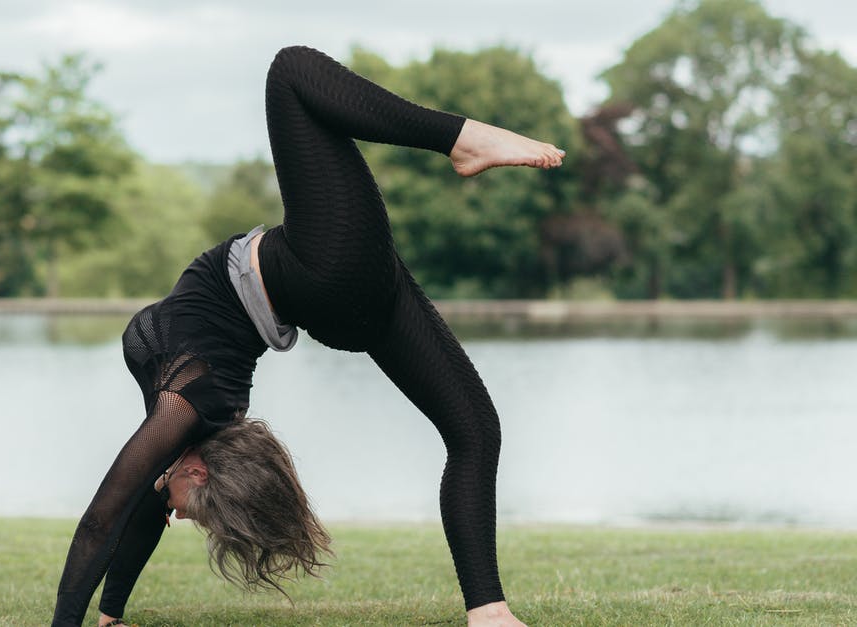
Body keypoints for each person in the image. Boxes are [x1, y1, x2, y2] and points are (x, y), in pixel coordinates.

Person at [50, 45, 564, 627]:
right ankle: (461, 138)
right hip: (327, 272)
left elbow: (118, 515)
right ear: (199, 470)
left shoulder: (183, 422)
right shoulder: (185, 414)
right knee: (290, 71)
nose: (175, 514)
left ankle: (489, 612)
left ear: (195, 473)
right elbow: (112, 516)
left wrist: (107, 614)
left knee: (476, 431)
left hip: (349, 302)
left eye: (184, 512)